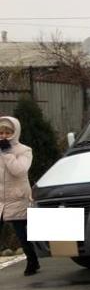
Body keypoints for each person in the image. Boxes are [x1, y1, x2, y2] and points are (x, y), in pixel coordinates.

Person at [0, 116, 40, 276]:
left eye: (7, 132)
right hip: (1, 200)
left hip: (17, 198)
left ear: (15, 132)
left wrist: (7, 152)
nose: (3, 136)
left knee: (22, 234)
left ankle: (32, 261)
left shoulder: (24, 150)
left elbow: (19, 171)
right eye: (1, 132)